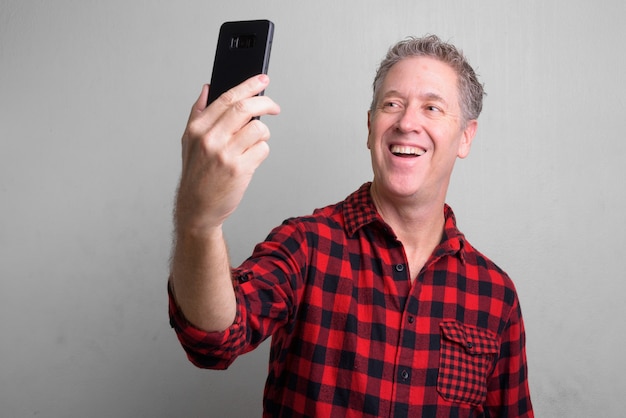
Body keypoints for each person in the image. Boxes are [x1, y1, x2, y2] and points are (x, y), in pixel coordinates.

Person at [168, 34, 533, 417]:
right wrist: (200, 222)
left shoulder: (495, 295)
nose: (407, 122)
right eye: (392, 104)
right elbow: (213, 341)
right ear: (371, 124)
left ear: (466, 137)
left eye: (432, 108)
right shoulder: (305, 245)